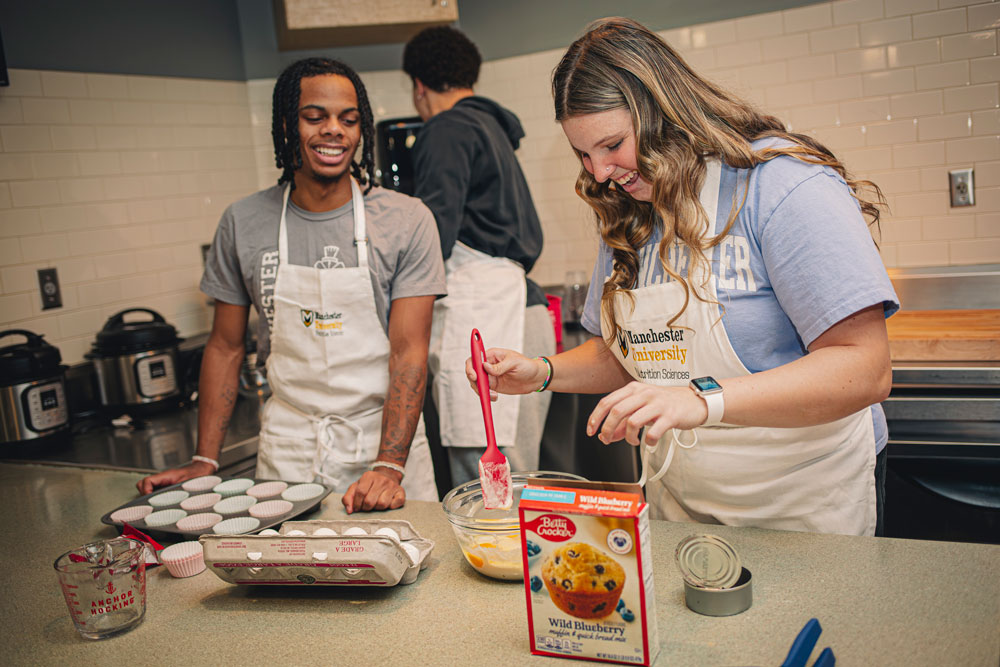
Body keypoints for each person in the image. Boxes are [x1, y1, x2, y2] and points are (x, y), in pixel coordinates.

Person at [470, 18, 899, 536]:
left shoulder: (780, 186)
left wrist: (698, 401)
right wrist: (541, 372)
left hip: (803, 505)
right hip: (684, 509)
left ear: (665, 110)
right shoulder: (630, 210)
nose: (600, 171)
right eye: (584, 154)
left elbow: (864, 367)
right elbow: (635, 351)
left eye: (612, 145)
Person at [138, 58, 444, 513]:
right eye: (314, 117)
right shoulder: (243, 222)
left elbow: (409, 353)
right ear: (286, 125)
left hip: (381, 451)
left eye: (348, 119)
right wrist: (206, 458)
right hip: (288, 452)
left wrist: (389, 464)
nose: (334, 130)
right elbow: (224, 346)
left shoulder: (406, 220)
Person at [402, 26, 555, 489]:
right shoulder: (492, 128)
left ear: (419, 86)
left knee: (490, 477)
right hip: (521, 310)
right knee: (518, 472)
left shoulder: (445, 129)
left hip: (486, 314)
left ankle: (506, 562)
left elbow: (433, 236)